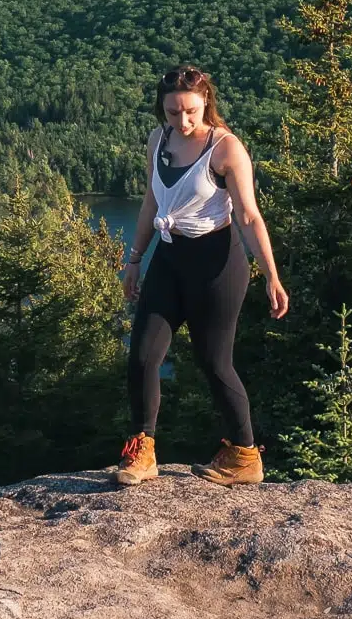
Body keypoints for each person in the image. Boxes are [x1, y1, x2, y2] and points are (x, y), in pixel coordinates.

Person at [114, 64, 288, 487]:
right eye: (173, 113)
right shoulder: (159, 141)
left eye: (190, 111)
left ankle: (245, 456)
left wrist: (271, 275)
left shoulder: (226, 149)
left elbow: (248, 215)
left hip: (217, 265)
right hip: (169, 261)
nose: (183, 121)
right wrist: (135, 259)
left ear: (206, 101)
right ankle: (143, 450)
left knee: (214, 363)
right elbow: (151, 203)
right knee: (141, 357)